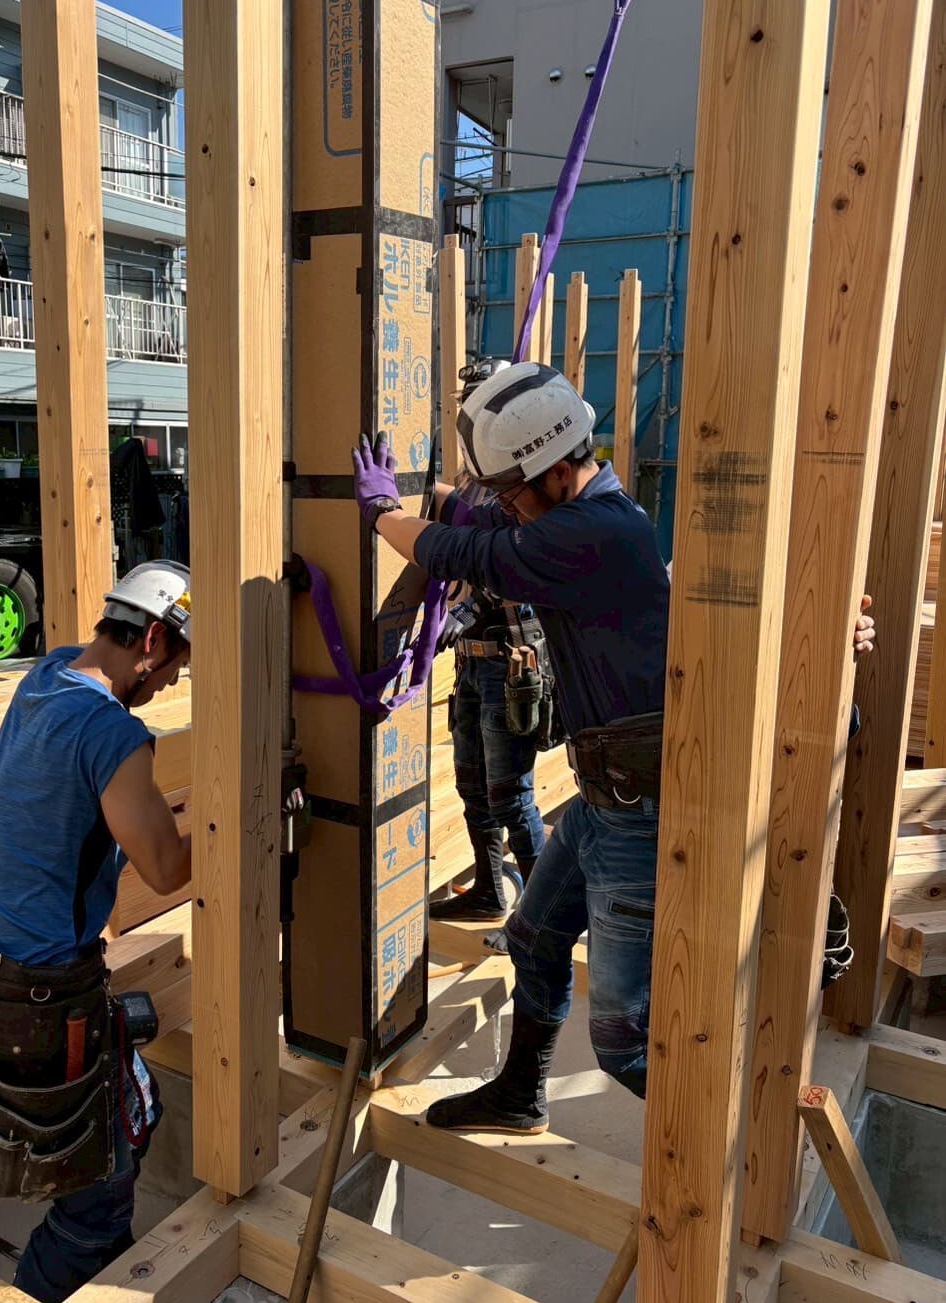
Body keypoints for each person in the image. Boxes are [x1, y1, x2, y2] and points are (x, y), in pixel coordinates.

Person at [351, 363, 875, 1134]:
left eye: (512, 492)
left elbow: (473, 554)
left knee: (625, 1041)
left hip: (640, 813)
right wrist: (421, 503)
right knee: (533, 938)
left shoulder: (594, 532)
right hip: (604, 802)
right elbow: (485, 528)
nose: (506, 508)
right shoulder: (586, 516)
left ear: (556, 471)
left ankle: (737, 1139)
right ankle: (520, 1094)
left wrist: (381, 515)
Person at [0, 560, 193, 1303]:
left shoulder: (48, 674)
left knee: (133, 1110)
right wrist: (251, 817)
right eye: (175, 666)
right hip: (45, 998)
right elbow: (166, 870)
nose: (172, 684)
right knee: (98, 1198)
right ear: (152, 640)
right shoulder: (111, 732)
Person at [430, 359, 551, 924]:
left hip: (509, 662)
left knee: (511, 795)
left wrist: (465, 609)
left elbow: (515, 571)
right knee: (472, 787)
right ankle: (489, 889)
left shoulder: (523, 484)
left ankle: (542, 914)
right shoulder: (473, 485)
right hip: (472, 662)